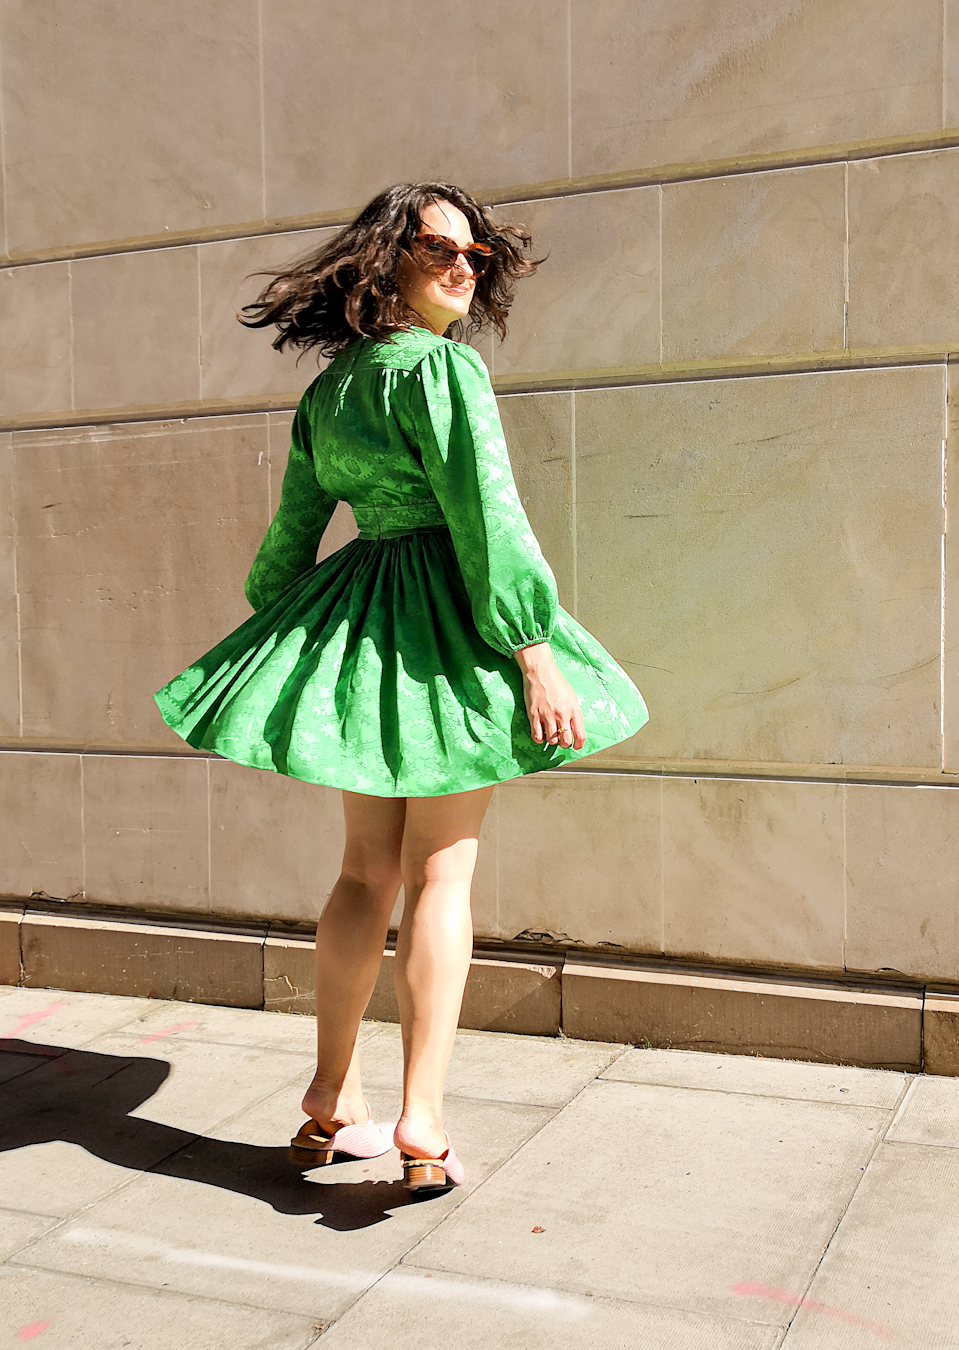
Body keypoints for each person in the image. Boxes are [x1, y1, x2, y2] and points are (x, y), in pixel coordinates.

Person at [154, 182, 648, 1193]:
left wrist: (281, 634)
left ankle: (332, 1100)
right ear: (386, 260)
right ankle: (421, 1117)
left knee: (360, 877)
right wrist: (535, 653)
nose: (464, 267)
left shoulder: (330, 394)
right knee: (440, 878)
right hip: (447, 628)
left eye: (478, 255)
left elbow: (288, 544)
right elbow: (487, 519)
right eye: (439, 249)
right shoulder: (444, 372)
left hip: (366, 623)